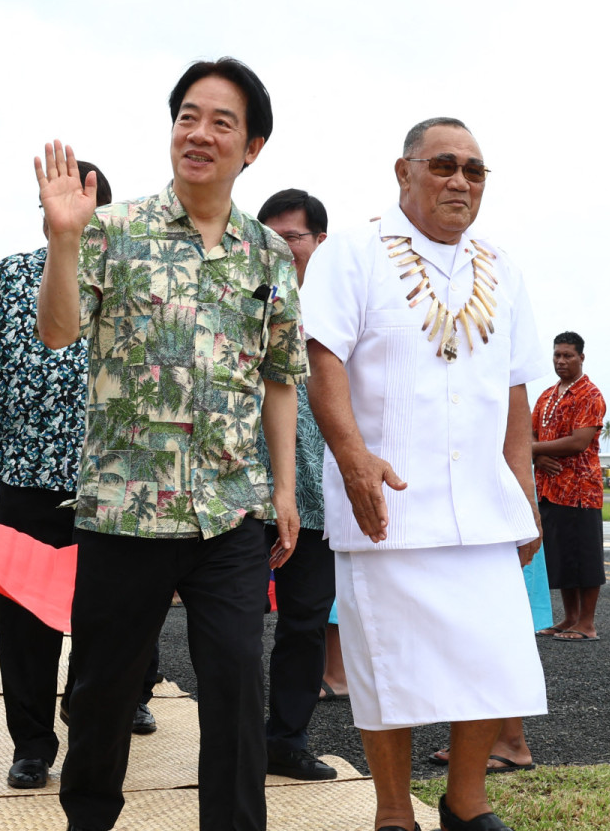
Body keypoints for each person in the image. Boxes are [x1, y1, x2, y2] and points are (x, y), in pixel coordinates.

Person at [34, 59, 305, 831]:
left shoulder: (267, 256)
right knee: (103, 691)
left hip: (230, 511)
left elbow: (280, 378)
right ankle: (89, 818)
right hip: (126, 508)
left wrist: (283, 492)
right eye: (188, 115)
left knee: (234, 688)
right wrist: (63, 241)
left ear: (252, 146)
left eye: (222, 121)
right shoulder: (113, 231)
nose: (200, 133)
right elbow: (59, 332)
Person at [304, 116, 545, 831]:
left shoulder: (502, 267)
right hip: (390, 502)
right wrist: (351, 458)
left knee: (491, 660)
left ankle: (466, 804)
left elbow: (513, 390)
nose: (460, 181)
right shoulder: (352, 252)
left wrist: (523, 489)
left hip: (482, 505)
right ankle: (391, 814)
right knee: (390, 672)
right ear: (403, 170)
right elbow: (324, 362)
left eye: (475, 170)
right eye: (444, 165)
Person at [0, 173, 170, 793]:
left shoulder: (134, 276)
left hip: (113, 485)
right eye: (55, 205)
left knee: (106, 621)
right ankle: (30, 747)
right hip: (25, 479)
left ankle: (89, 728)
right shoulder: (13, 274)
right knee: (25, 623)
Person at [256, 189, 341, 781]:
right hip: (235, 490)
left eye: (294, 237)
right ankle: (230, 740)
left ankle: (286, 737)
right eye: (270, 234)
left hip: (314, 498)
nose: (281, 247)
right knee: (226, 628)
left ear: (320, 243)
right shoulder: (235, 297)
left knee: (305, 624)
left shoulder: (341, 309)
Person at [533, 333, 607, 641]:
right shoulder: (547, 395)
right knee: (562, 555)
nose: (561, 361)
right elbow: (529, 435)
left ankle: (587, 624)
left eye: (568, 356)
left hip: (581, 489)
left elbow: (579, 441)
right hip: (551, 487)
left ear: (581, 358)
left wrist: (534, 450)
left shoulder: (590, 395)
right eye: (557, 355)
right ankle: (570, 618)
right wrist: (537, 456)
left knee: (583, 556)